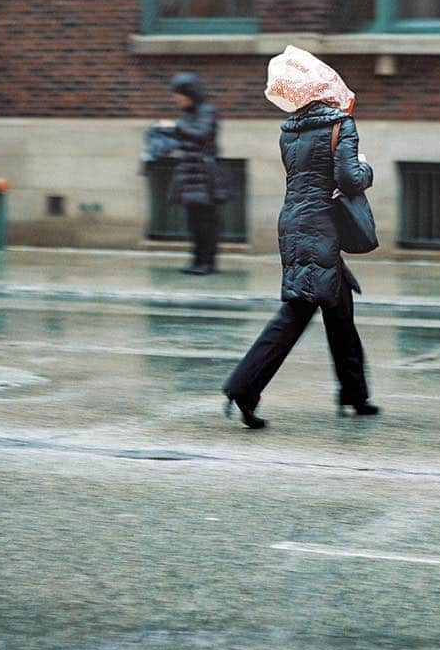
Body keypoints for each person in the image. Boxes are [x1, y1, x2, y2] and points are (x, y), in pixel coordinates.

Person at [222, 46, 378, 428]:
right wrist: (367, 170)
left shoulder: (290, 131)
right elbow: (347, 179)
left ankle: (355, 395)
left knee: (339, 310)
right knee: (298, 310)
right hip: (320, 225)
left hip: (294, 222)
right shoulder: (341, 124)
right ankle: (243, 388)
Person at [155, 72, 224, 275]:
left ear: (190, 93)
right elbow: (183, 138)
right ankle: (196, 260)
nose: (177, 99)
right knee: (193, 222)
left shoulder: (207, 111)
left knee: (206, 223)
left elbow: (201, 135)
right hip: (189, 174)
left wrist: (175, 127)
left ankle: (208, 263)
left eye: (180, 94)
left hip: (204, 176)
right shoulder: (186, 114)